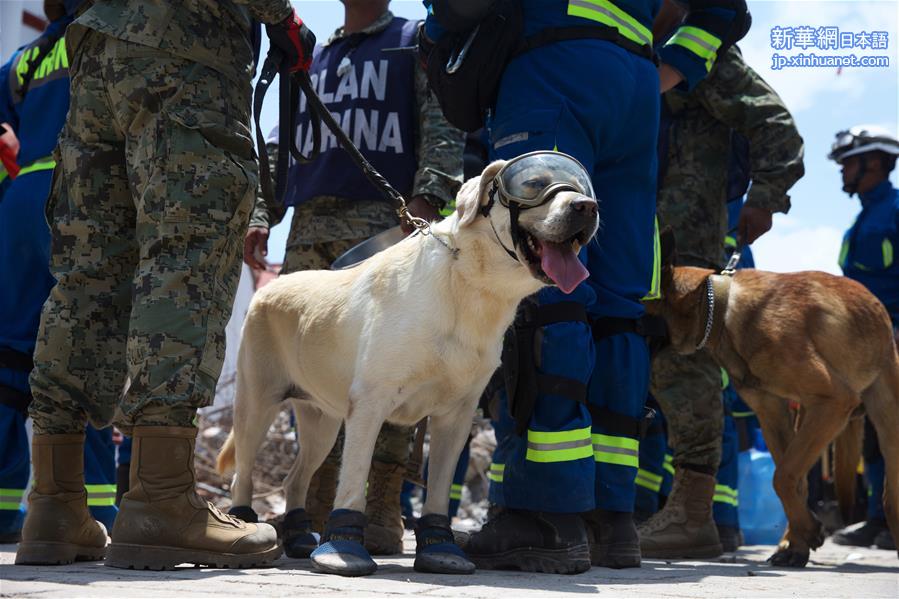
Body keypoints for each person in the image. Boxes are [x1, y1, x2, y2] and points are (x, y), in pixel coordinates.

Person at [426, 0, 750, 573]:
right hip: (633, 88)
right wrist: (669, 69)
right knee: (620, 308)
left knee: (543, 289)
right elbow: (726, 7)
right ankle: (611, 519)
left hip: (552, 67)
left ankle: (542, 515)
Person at [15, 0, 316, 570]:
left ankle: (55, 506)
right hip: (185, 50)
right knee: (184, 260)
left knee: (87, 275)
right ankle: (160, 499)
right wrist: (281, 17)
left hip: (99, 53)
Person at [242, 0, 464, 559]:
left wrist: (430, 196)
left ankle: (382, 510)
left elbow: (443, 121)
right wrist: (261, 211)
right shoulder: (311, 54)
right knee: (313, 379)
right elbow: (281, 138)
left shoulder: (414, 40)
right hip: (311, 229)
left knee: (394, 375)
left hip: (385, 230)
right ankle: (318, 506)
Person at [639, 35, 804, 559]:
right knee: (633, 369)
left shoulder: (697, 54)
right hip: (633, 236)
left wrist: (764, 202)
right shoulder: (628, 45)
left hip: (689, 243)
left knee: (684, 368)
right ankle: (637, 510)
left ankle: (696, 515)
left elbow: (777, 129)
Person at [0, 0, 119, 545]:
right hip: (80, 192)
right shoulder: (107, 33)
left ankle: (4, 511)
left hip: (20, 198)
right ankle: (98, 510)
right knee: (86, 351)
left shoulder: (26, 59)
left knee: (8, 358)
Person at [828, 125, 899, 552]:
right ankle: (881, 518)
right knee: (874, 432)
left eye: (848, 163)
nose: (841, 171)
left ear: (874, 162)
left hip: (895, 337)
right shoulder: (862, 219)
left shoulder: (894, 211)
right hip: (867, 346)